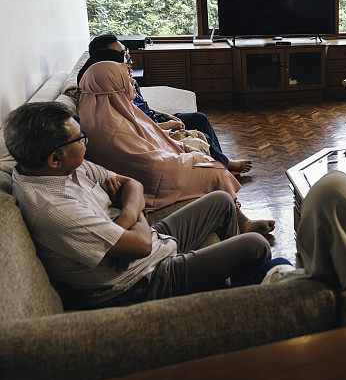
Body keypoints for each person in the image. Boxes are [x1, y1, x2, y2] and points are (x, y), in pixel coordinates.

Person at [4, 102, 272, 308]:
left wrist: (127, 214)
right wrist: (135, 212)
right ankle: (245, 309)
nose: (85, 143)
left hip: (147, 244)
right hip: (139, 282)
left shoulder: (62, 168)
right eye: (79, 139)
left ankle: (234, 286)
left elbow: (131, 183)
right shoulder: (52, 208)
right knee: (255, 246)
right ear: (54, 158)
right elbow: (141, 247)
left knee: (222, 201)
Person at [77, 61, 273, 237]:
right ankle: (241, 223)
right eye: (124, 78)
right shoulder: (112, 129)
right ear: (112, 86)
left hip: (154, 166)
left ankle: (238, 218)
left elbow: (152, 135)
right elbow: (150, 166)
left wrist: (182, 148)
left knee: (203, 156)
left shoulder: (107, 109)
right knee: (214, 172)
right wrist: (191, 158)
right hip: (150, 181)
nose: (130, 81)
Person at [82, 34, 252, 176]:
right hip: (152, 126)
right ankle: (224, 165)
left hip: (155, 119)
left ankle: (223, 162)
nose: (127, 56)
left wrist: (165, 114)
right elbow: (136, 122)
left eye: (125, 50)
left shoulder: (127, 77)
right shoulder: (112, 86)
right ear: (105, 57)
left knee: (200, 119)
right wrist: (169, 125)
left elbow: (143, 107)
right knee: (202, 136)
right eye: (121, 53)